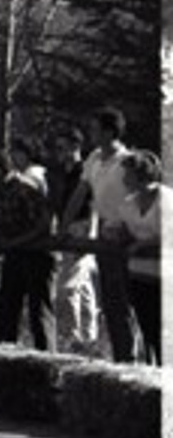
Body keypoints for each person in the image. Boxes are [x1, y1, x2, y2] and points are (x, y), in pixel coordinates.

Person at [62, 107, 135, 362]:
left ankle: (133, 361)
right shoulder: (93, 158)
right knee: (111, 304)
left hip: (127, 234)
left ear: (109, 131)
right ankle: (120, 360)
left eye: (95, 129)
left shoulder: (127, 161)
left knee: (125, 303)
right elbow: (80, 193)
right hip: (104, 234)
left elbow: (136, 199)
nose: (91, 133)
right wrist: (63, 226)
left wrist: (125, 229)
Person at [0, 149, 56, 351]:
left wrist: (18, 241)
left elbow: (44, 224)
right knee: (6, 306)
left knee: (38, 311)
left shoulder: (25, 188)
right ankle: (3, 353)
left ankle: (46, 358)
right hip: (13, 253)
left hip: (37, 254)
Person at [45, 126, 99, 355]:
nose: (59, 152)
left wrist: (90, 231)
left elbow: (95, 202)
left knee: (66, 289)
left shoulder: (85, 170)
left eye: (63, 147)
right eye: (57, 148)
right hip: (70, 228)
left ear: (76, 146)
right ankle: (88, 338)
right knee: (82, 286)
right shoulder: (65, 173)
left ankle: (73, 340)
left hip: (83, 227)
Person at [116, 150, 167, 365]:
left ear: (140, 175)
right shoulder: (127, 204)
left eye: (128, 174)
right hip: (138, 276)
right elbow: (126, 235)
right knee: (148, 332)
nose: (124, 179)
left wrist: (141, 246)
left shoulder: (167, 201)